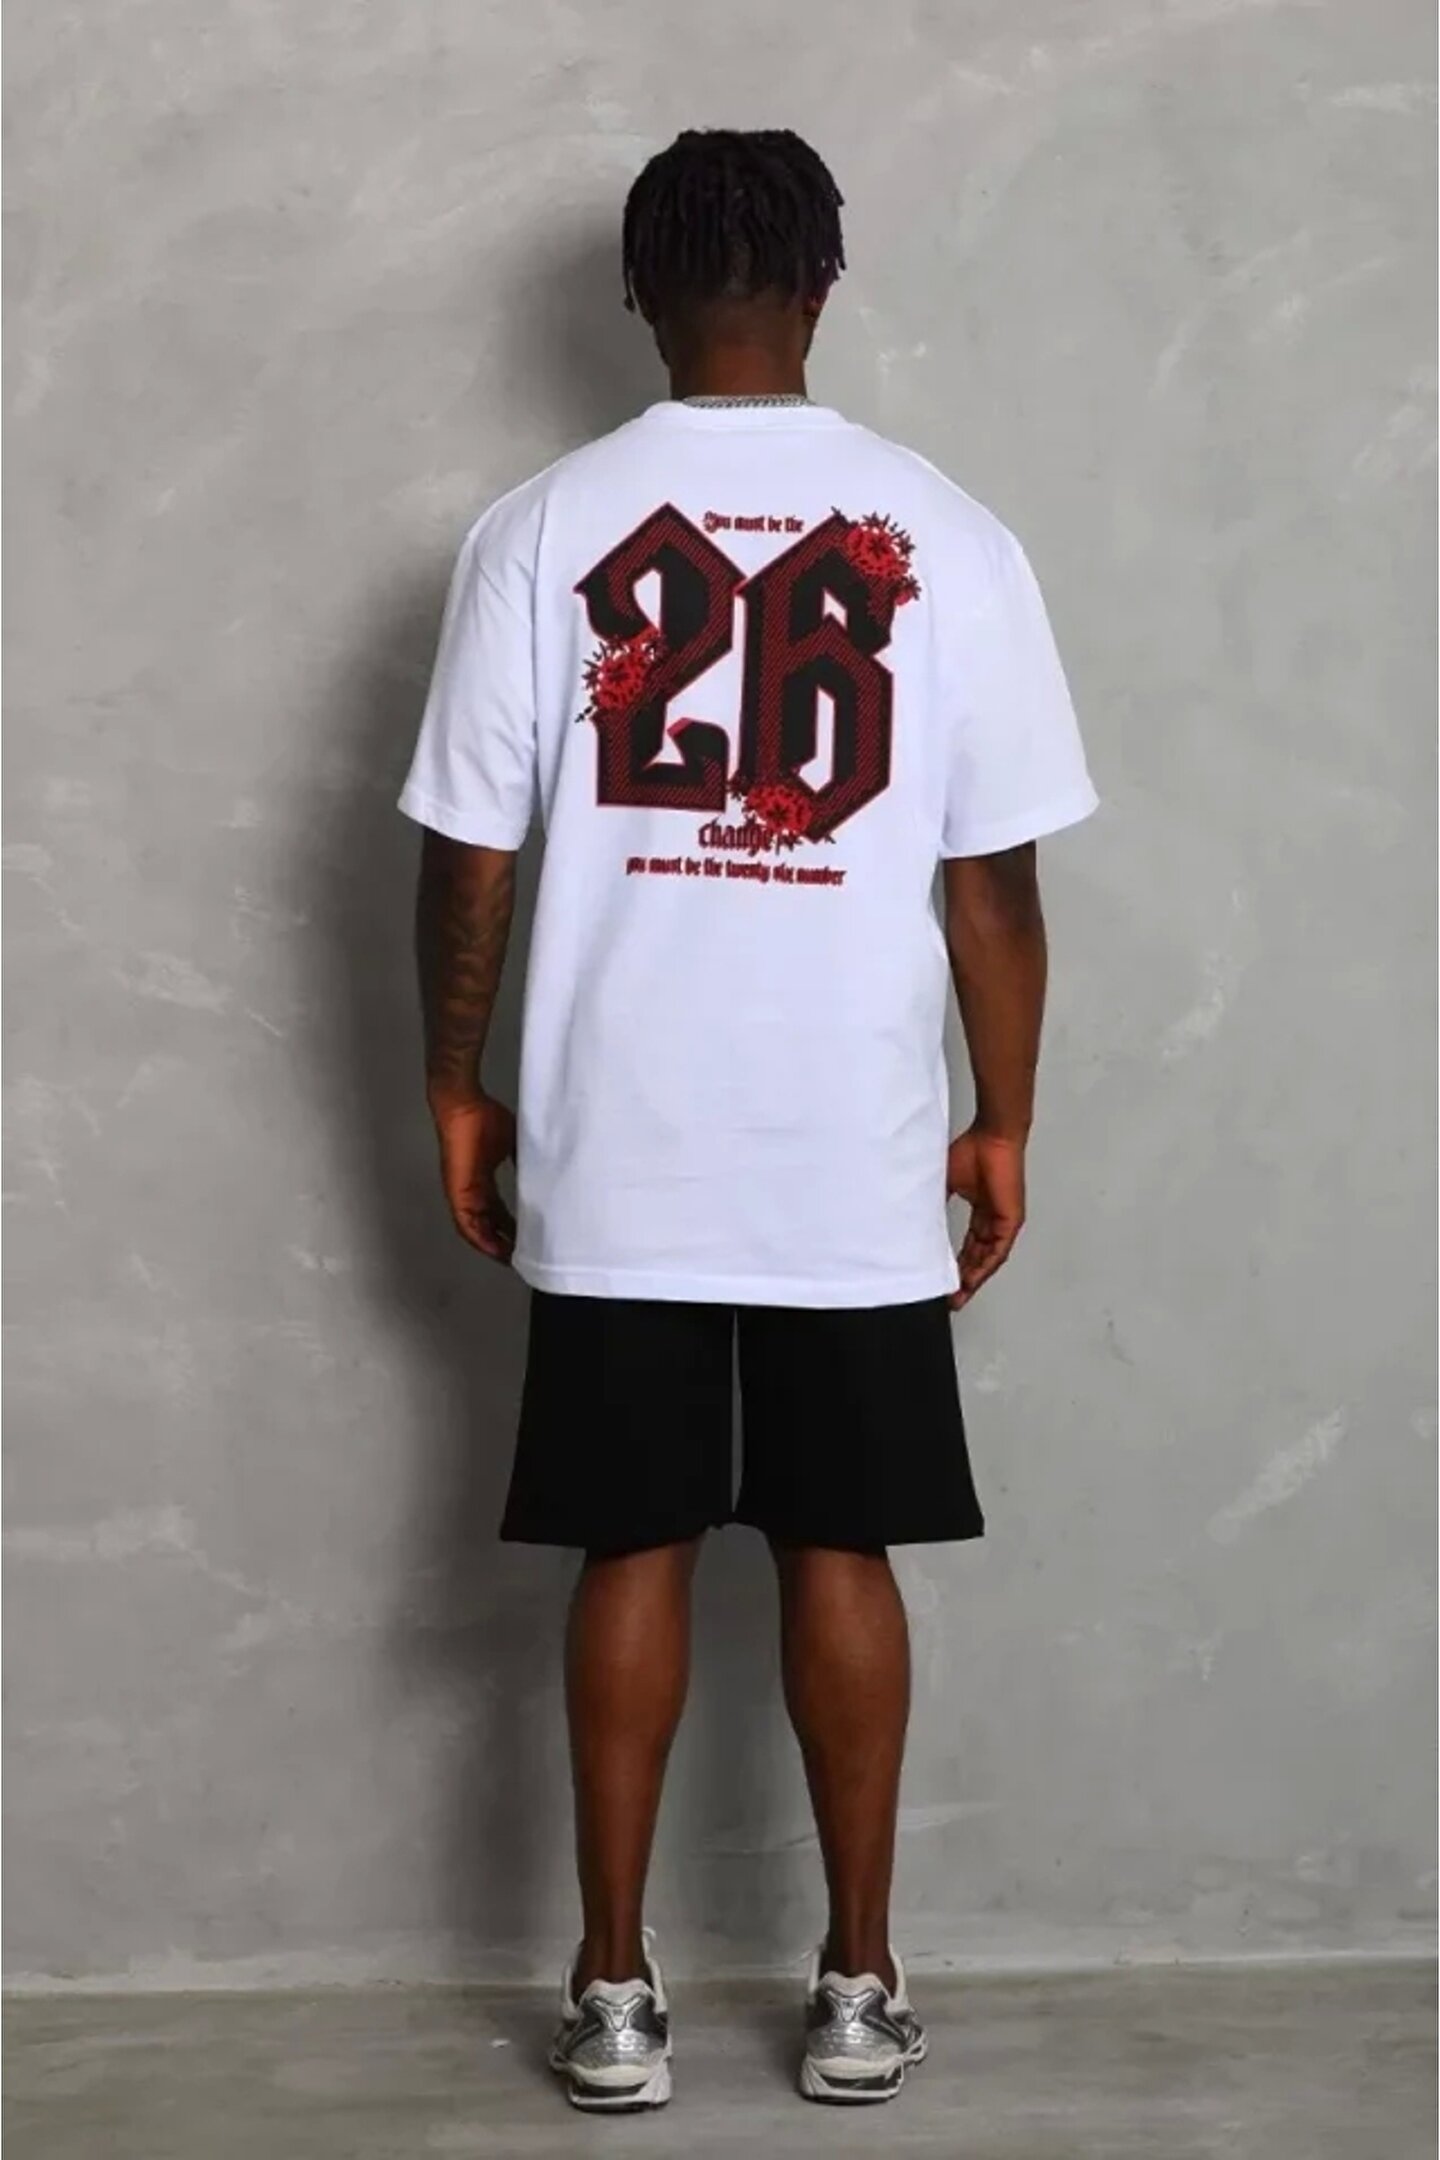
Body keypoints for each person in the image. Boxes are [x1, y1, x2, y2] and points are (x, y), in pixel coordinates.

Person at [399, 126, 1096, 2112]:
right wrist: (1003, 1119)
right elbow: (991, 884)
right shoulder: (948, 531)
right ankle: (857, 1983)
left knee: (627, 1542)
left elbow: (469, 858)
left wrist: (456, 1084)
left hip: (617, 1128)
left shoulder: (541, 528)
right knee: (838, 1538)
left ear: (638, 292)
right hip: (848, 1132)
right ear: (826, 285)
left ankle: (614, 1992)